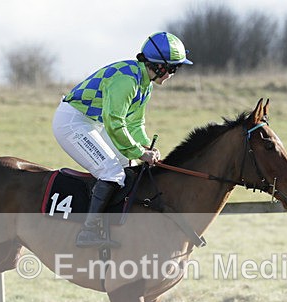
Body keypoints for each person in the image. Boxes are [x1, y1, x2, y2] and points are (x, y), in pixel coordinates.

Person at [52, 31, 193, 247]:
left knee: (129, 164)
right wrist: (139, 152)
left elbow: (134, 123)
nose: (173, 74)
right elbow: (115, 123)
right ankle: (88, 232)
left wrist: (146, 146)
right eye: (173, 68)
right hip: (72, 122)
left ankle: (115, 225)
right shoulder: (127, 81)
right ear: (160, 66)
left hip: (93, 122)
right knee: (111, 171)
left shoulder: (144, 82)